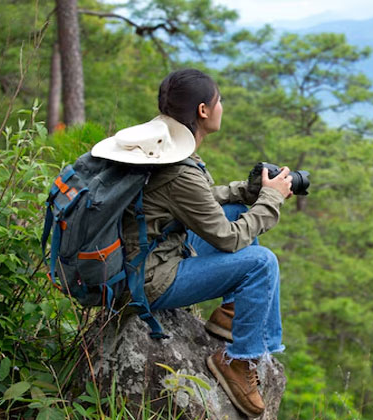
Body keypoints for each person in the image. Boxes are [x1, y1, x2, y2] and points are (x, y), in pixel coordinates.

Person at [91, 68, 291, 418]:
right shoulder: (179, 168)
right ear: (203, 111)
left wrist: (246, 193)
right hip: (148, 279)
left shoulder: (158, 149)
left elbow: (194, 201)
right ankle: (242, 360)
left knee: (231, 209)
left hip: (137, 255)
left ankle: (231, 315)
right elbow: (230, 240)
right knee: (261, 262)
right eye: (219, 101)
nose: (221, 107)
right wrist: (270, 201)